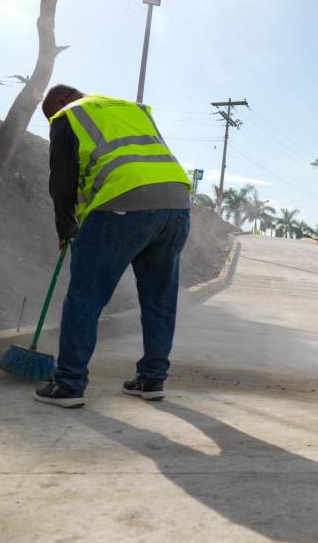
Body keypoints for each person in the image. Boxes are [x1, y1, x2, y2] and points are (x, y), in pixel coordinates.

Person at [34, 85, 192, 408]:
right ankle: (151, 379)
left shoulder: (68, 116)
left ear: (61, 101)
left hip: (122, 204)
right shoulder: (134, 109)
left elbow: (61, 182)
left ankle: (68, 383)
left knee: (85, 296)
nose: (52, 122)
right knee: (160, 299)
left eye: (49, 115)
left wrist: (66, 229)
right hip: (177, 205)